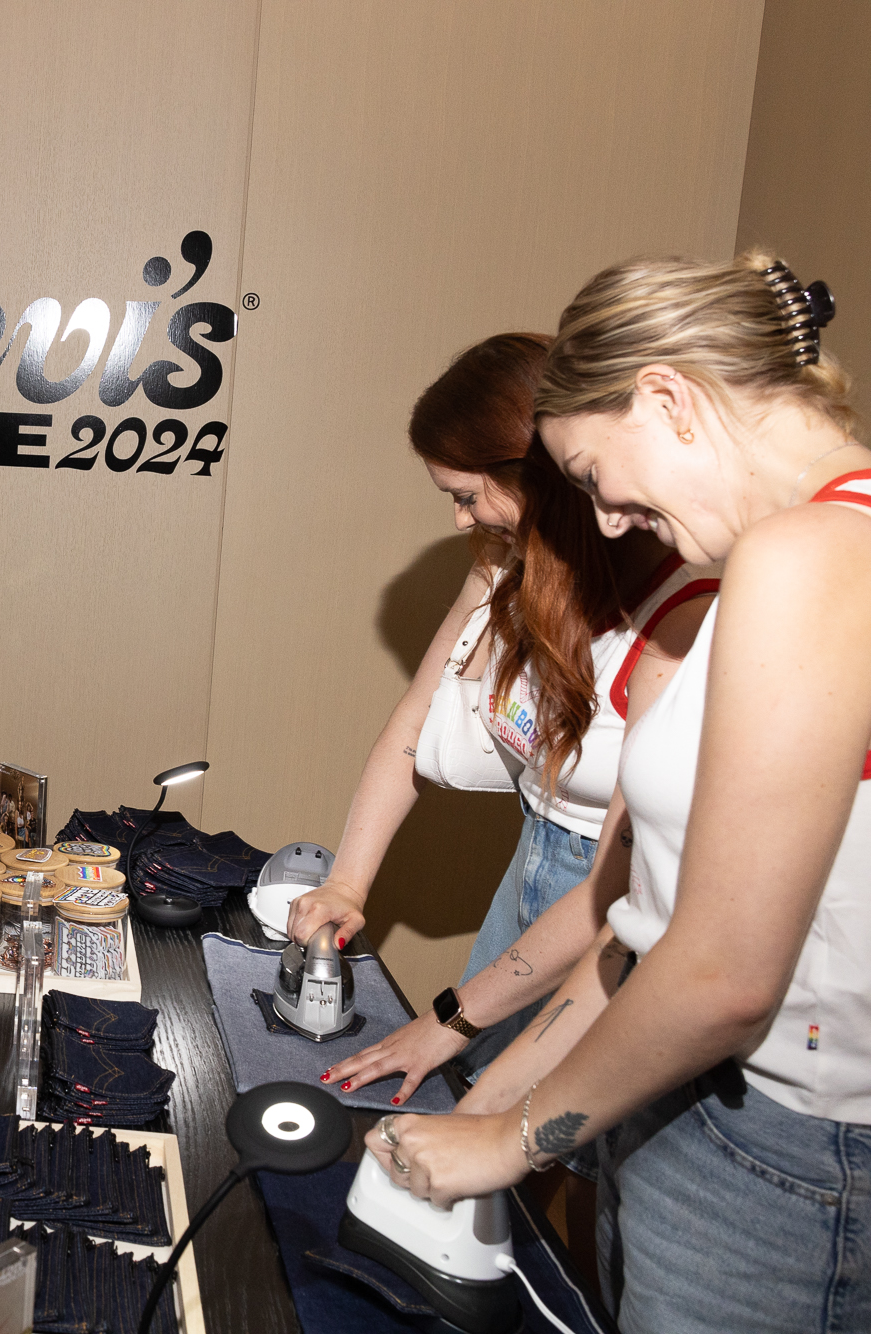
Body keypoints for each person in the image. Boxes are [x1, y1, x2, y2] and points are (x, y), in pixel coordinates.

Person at [371, 254, 871, 1334]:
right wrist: (486, 1085)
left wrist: (506, 1139)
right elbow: (641, 922)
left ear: (666, 398)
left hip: (782, 1143)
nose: (601, 520)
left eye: (594, 473)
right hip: (701, 1107)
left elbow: (723, 973)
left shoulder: (809, 554)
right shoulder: (800, 550)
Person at [284, 333, 712, 1103]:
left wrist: (452, 1017)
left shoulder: (679, 621)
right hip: (532, 877)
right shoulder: (504, 563)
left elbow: (614, 888)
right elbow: (414, 724)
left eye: (466, 494)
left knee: (560, 1131)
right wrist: (347, 882)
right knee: (477, 1107)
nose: (460, 520)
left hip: (616, 912)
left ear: (538, 478)